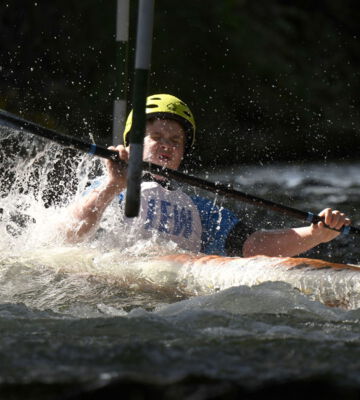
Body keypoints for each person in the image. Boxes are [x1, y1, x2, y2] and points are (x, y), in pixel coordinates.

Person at [64, 94, 351, 257]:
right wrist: (113, 186)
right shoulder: (111, 187)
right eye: (157, 136)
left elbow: (255, 245)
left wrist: (315, 234)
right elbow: (68, 236)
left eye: (176, 140)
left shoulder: (200, 210)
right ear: (133, 144)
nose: (167, 144)